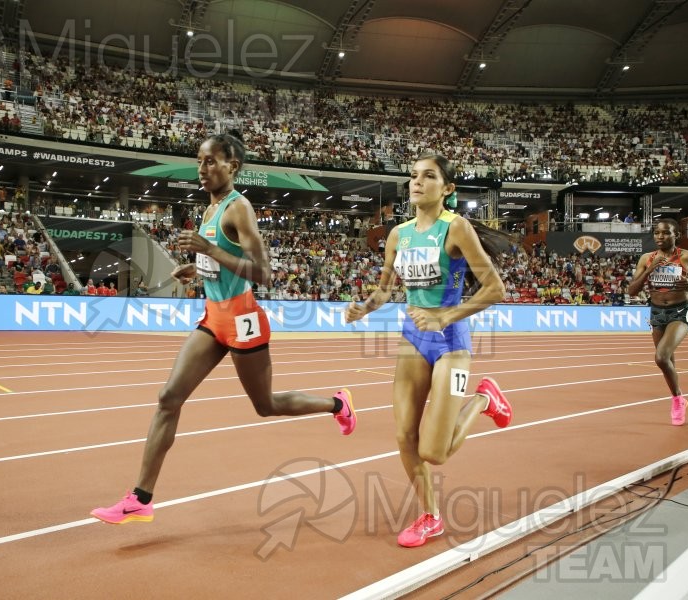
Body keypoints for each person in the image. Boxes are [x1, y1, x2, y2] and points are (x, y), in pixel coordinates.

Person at [91, 132, 356, 525]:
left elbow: (263, 273)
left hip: (244, 318)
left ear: (233, 166)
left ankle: (338, 404)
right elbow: (222, 261)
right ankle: (140, 498)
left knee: (265, 405)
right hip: (214, 316)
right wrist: (197, 268)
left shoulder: (238, 208)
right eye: (199, 161)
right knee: (169, 397)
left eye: (211, 161)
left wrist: (208, 251)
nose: (202, 169)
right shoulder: (211, 207)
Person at [344, 154, 513, 548]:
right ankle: (430, 516)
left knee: (434, 452)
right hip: (412, 338)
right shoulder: (398, 234)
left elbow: (495, 289)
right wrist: (366, 307)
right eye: (413, 176)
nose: (417, 182)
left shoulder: (456, 228)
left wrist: (445, 316)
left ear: (447, 188)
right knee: (404, 436)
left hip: (451, 341)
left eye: (428, 176)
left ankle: (483, 401)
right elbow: (387, 288)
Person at [627, 219, 688, 425]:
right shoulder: (646, 258)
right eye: (656, 233)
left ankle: (677, 400)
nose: (659, 237)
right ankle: (678, 398)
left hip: (680, 312)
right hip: (657, 312)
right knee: (668, 363)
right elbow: (632, 291)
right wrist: (649, 270)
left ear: (676, 235)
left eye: (665, 233)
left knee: (661, 357)